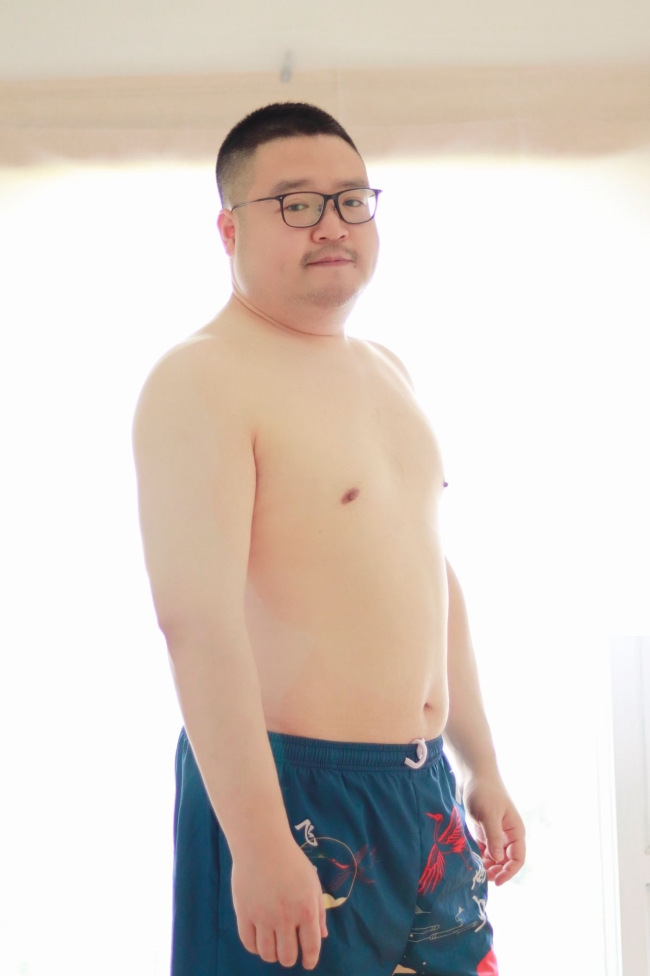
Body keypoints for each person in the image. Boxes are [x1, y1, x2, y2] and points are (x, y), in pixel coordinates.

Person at [131, 101, 525, 976]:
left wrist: (482, 762)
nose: (332, 224)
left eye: (351, 199)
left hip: (420, 787)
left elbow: (431, 575)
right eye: (297, 203)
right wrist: (259, 844)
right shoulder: (201, 377)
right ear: (229, 228)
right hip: (291, 789)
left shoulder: (387, 370)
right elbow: (195, 622)